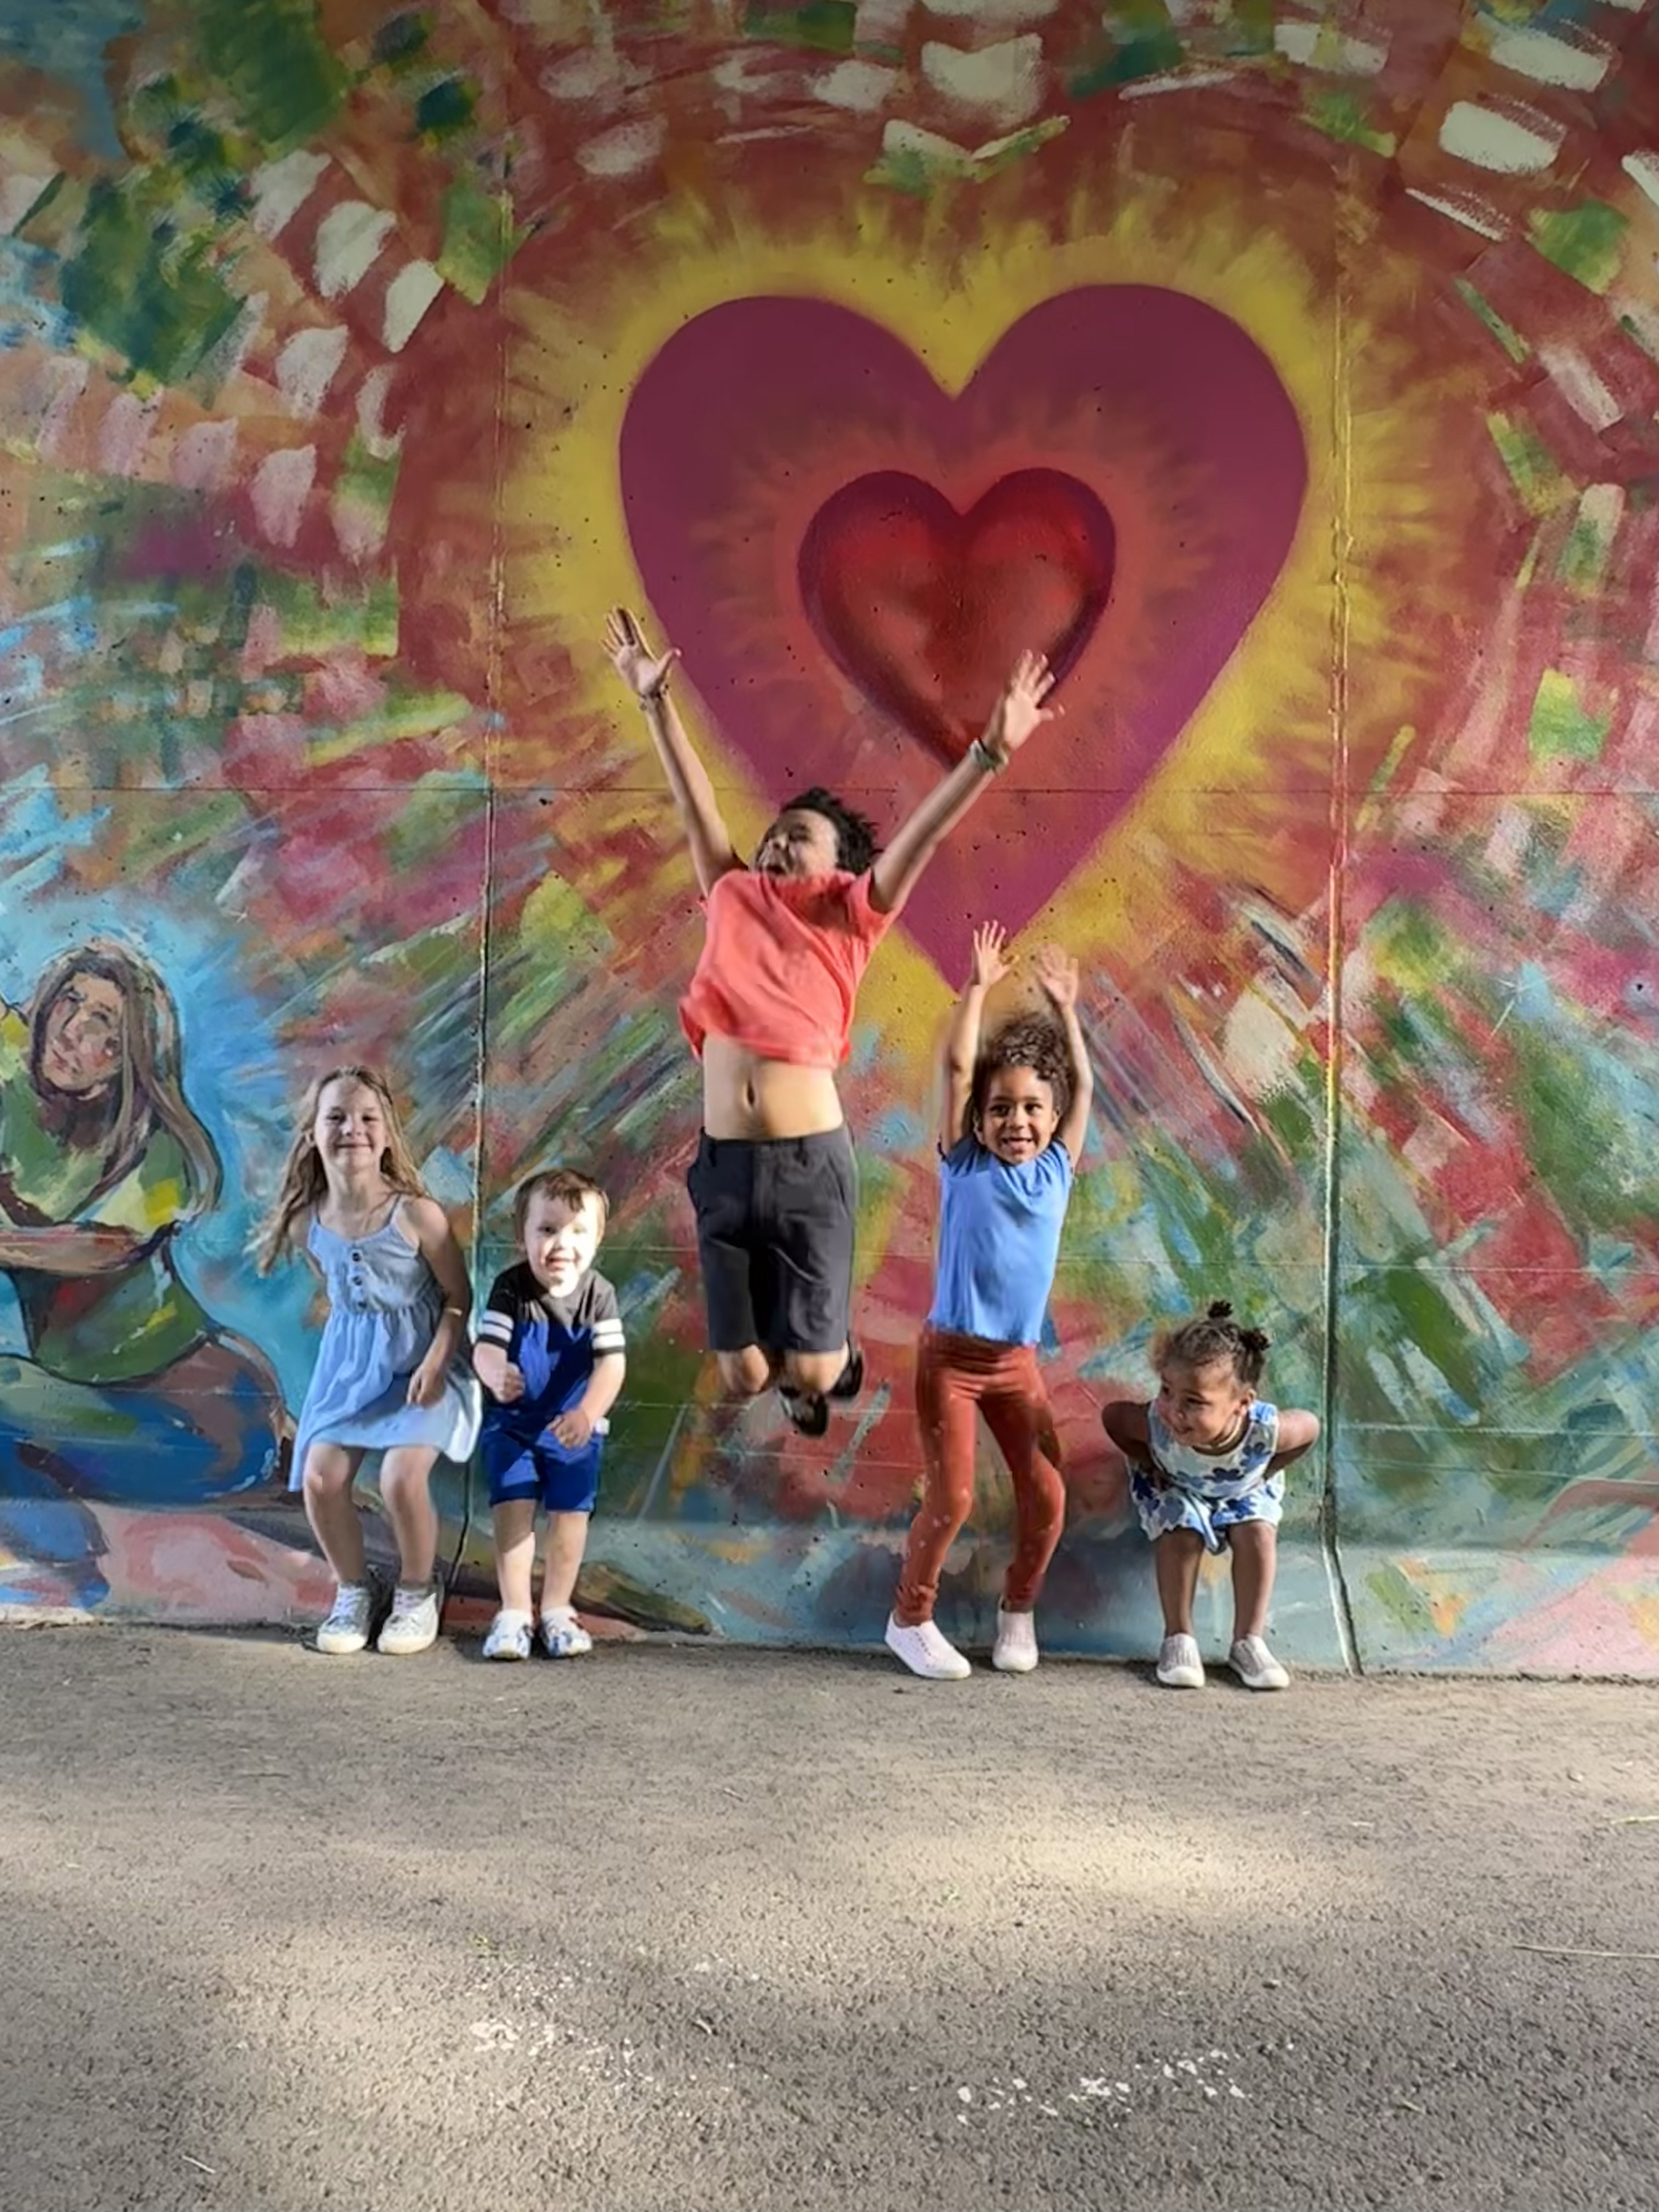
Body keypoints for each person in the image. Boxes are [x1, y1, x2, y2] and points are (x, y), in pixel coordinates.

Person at [604, 606, 1060, 1438]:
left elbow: (922, 835)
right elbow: (695, 805)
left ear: (841, 868)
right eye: (775, 835)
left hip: (811, 1168)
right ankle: (802, 1361)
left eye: (799, 840)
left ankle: (829, 1360)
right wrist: (654, 703)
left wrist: (991, 751)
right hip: (727, 1166)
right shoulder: (734, 894)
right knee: (744, 1375)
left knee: (810, 1368)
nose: (776, 846)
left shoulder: (851, 914)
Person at [0, 939, 284, 1608]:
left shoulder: (161, 1151)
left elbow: (95, 1248)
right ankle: (61, 1557)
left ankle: (70, 1569)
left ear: (132, 1058)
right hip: (86, 1397)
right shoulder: (16, 1084)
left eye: (108, 1027)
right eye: (70, 1002)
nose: (75, 1032)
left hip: (202, 1421)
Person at [885, 923, 1093, 1679]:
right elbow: (955, 1063)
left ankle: (1017, 1610)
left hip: (1017, 1363)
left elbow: (1084, 1086)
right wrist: (975, 989)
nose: (1018, 1122)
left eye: (1032, 1108)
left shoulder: (1059, 1169)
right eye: (1001, 1108)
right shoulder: (963, 1165)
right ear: (977, 1120)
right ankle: (910, 1617)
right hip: (952, 1358)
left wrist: (1066, 1010)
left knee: (1047, 1493)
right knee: (955, 1496)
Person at [257, 1067, 479, 1657]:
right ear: (312, 1134)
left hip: (426, 1367)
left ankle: (415, 1589)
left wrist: (437, 1356)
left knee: (400, 1478)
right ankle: (355, 1588)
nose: (350, 1129)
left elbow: (459, 1295)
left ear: (385, 1138)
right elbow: (338, 1288)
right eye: (335, 1117)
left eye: (366, 1119)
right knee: (320, 1478)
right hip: (354, 1371)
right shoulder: (310, 1221)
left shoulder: (416, 1216)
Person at [1100, 1302, 1320, 1691]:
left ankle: (1248, 1641)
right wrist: (1149, 1460)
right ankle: (1178, 1638)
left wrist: (1267, 1470)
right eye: (1167, 1390)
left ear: (1243, 1403)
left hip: (1242, 1488)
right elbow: (1113, 1419)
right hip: (1179, 1485)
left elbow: (1310, 1429)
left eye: (1194, 1402)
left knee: (1257, 1533)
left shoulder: (1266, 1430)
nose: (1173, 1410)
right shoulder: (1157, 1424)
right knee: (1180, 1532)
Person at [474, 1168, 626, 1662]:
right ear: (524, 1235)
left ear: (598, 1239)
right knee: (513, 1514)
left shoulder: (599, 1295)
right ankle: (515, 1612)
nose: (562, 1244)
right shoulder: (510, 1289)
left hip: (573, 1429)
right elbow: (487, 1347)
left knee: (570, 1518)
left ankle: (558, 1609)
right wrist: (496, 1374)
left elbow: (612, 1364)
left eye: (578, 1231)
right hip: (512, 1427)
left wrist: (587, 1414)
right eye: (547, 1229)